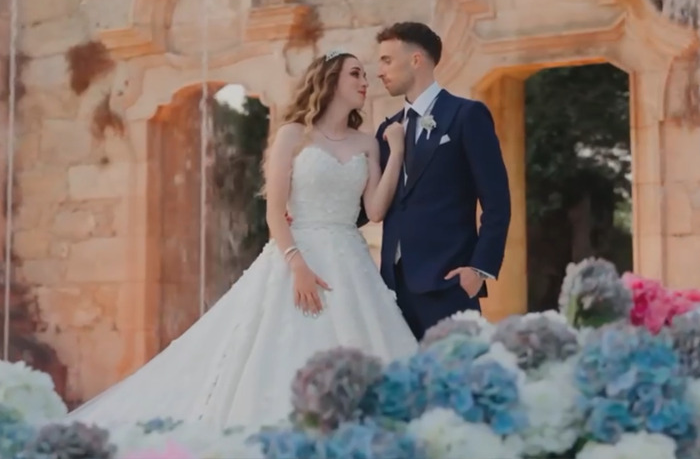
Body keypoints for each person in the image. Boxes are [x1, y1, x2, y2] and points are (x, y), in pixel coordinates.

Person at [66, 51, 418, 429]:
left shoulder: (367, 144)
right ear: (330, 80)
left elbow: (376, 210)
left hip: (350, 261)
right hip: (297, 258)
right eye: (355, 74)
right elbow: (274, 213)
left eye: (365, 75)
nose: (365, 81)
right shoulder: (293, 135)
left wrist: (396, 149)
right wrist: (297, 264)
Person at [362, 22, 511, 340]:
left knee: (456, 382)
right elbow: (374, 203)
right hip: (391, 290)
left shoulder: (466, 115)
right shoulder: (388, 130)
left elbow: (497, 203)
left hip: (449, 284)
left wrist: (479, 270)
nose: (379, 71)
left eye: (387, 60)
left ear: (416, 59)